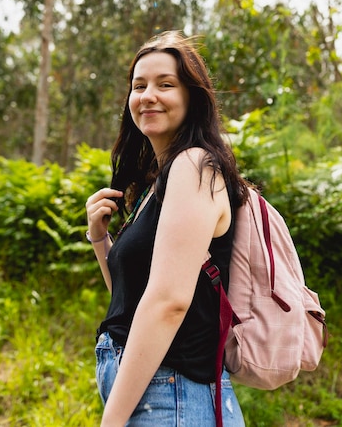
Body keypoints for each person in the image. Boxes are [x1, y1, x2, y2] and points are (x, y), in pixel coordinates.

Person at [85, 31, 248, 427]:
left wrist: (111, 421)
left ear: (192, 97)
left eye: (166, 84)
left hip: (173, 394)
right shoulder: (157, 182)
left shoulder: (195, 166)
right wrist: (99, 239)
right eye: (139, 85)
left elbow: (169, 303)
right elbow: (135, 300)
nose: (148, 95)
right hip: (156, 389)